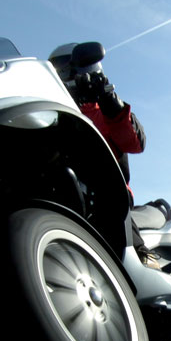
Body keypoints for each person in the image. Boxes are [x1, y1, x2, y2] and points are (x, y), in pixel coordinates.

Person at [48, 42, 157, 267]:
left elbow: (135, 143)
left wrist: (111, 103)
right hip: (67, 194)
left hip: (109, 195)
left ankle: (142, 259)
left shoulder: (105, 111)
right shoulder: (51, 114)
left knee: (107, 200)